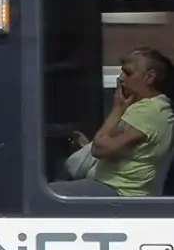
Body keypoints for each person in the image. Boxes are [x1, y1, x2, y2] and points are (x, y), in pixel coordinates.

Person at [51, 47, 174, 198]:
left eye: (128, 73)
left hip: (117, 190)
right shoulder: (156, 108)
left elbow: (100, 150)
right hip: (111, 186)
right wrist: (86, 147)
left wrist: (117, 109)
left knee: (45, 195)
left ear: (150, 77)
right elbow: (125, 148)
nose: (121, 78)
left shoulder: (149, 110)